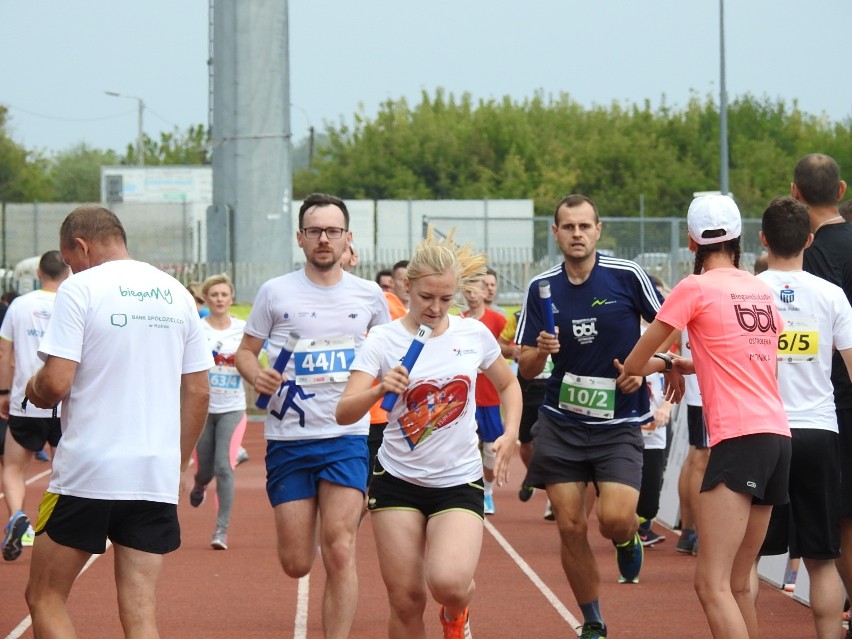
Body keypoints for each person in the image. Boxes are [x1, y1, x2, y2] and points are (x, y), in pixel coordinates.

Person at [23, 205, 211, 637]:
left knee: (43, 597)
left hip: (89, 472)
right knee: (141, 614)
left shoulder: (80, 289)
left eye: (69, 262)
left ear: (82, 247)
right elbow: (199, 392)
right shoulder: (177, 293)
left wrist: (32, 389)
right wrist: (178, 464)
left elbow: (54, 383)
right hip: (153, 474)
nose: (70, 270)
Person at [336, 229, 521, 639]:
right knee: (405, 601)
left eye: (445, 298)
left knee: (450, 584)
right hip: (397, 480)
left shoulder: (473, 335)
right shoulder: (382, 340)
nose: (436, 308)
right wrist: (380, 388)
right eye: (426, 298)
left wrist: (510, 433)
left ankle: (458, 612)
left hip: (457, 479)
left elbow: (509, 385)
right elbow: (344, 412)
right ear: (407, 288)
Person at [623, 193, 791, 639]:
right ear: (737, 238)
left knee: (711, 584)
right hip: (777, 437)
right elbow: (754, 362)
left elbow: (636, 362)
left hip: (737, 440)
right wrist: (685, 364)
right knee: (738, 583)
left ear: (691, 243)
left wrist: (665, 362)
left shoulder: (693, 288)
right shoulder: (760, 289)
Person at [235, 192, 390, 639]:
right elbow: (246, 354)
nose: (325, 239)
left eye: (333, 231)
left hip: (346, 437)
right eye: (316, 231)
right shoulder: (274, 292)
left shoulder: (369, 296)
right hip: (289, 442)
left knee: (340, 549)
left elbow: (387, 354)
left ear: (347, 238)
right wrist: (258, 375)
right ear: (300, 238)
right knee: (296, 562)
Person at [516, 194, 664, 638]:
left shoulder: (626, 276)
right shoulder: (541, 287)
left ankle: (626, 538)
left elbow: (666, 331)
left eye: (584, 226)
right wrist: (539, 352)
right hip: (562, 421)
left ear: (598, 230)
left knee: (615, 518)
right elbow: (525, 367)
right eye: (568, 227)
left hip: (618, 423)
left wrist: (641, 370)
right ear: (556, 232)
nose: (576, 234)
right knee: (570, 523)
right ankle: (592, 618)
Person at [754, 195, 852, 638]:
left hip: (764, 434)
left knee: (746, 560)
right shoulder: (832, 296)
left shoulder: (749, 292)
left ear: (762, 239)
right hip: (819, 432)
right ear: (809, 241)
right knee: (822, 559)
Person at [793, 154, 852, 638]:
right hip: (833, 403)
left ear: (795, 192)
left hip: (826, 404)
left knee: (839, 529)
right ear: (841, 190)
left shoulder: (805, 258)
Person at [0, 251, 69, 561]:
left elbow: (5, 353)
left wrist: (3, 391)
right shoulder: (72, 302)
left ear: (39, 273)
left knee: (14, 467)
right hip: (65, 401)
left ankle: (17, 516)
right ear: (66, 271)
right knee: (63, 469)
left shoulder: (19, 305)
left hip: (26, 400)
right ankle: (52, 526)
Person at [188, 273, 248, 550]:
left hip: (233, 408)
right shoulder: (197, 328)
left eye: (224, 295)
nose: (220, 299)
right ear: (206, 299)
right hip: (203, 409)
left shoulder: (243, 330)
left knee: (225, 467)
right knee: (205, 470)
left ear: (231, 298)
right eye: (214, 295)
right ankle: (200, 485)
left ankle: (221, 531)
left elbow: (254, 360)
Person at [460, 277, 508, 515]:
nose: (472, 294)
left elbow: (512, 348)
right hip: (463, 396)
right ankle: (466, 491)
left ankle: (487, 491)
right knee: (462, 447)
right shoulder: (457, 321)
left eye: (476, 288)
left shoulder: (497, 319)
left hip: (489, 397)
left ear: (484, 291)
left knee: (490, 449)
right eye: (467, 289)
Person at [674, 328, 707, 556]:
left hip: (699, 388)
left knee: (695, 455)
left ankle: (688, 532)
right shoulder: (703, 295)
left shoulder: (693, 295)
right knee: (701, 459)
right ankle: (698, 534)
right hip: (705, 389)